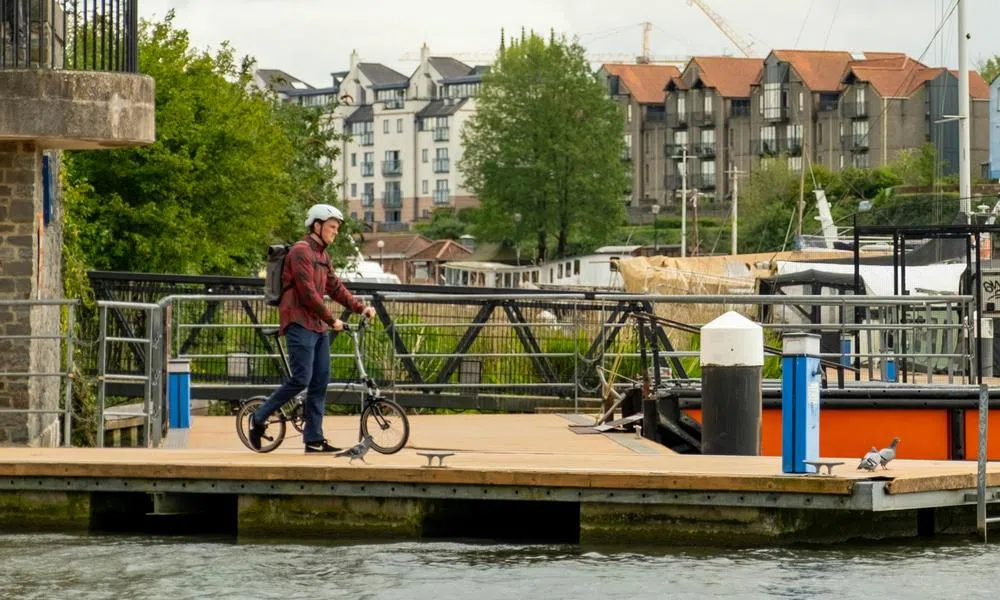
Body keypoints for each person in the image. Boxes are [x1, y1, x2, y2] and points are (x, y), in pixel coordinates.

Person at [249, 204, 376, 453]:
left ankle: (314, 439)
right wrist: (332, 320)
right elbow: (307, 294)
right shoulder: (300, 252)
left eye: (337, 228)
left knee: (320, 381)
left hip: (316, 325)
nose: (334, 232)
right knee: (301, 378)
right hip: (298, 322)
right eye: (331, 227)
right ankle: (259, 416)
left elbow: (335, 288)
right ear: (316, 225)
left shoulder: (322, 256)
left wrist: (360, 308)